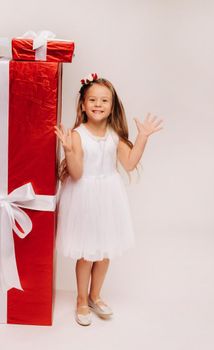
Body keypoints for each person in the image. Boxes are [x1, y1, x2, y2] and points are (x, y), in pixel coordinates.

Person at [55, 73, 163, 326]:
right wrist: (69, 151)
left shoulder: (114, 135)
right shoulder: (77, 135)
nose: (98, 104)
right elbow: (78, 173)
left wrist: (143, 137)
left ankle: (95, 295)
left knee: (104, 253)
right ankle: (81, 299)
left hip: (109, 196)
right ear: (82, 105)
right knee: (87, 253)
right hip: (84, 196)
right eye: (92, 99)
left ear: (112, 106)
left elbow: (129, 162)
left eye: (104, 100)